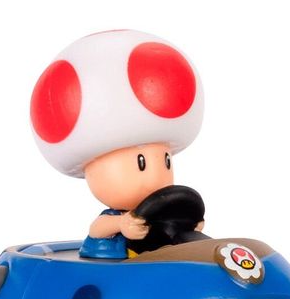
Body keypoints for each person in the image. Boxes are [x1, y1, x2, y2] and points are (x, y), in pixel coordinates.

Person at [29, 29, 205, 258]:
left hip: (150, 265)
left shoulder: (159, 217)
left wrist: (189, 226)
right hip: (113, 266)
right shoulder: (114, 218)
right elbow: (97, 229)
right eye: (141, 163)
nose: (155, 178)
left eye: (166, 161)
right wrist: (122, 224)